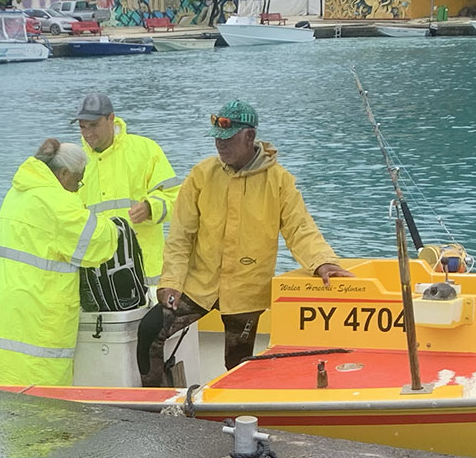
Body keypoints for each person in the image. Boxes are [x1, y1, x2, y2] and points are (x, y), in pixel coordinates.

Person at [140, 99, 349, 383]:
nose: (220, 144)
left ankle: (236, 416)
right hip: (200, 285)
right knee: (150, 331)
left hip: (246, 291)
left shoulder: (279, 181)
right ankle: (156, 401)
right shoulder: (201, 175)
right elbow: (180, 237)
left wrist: (322, 262)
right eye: (216, 137)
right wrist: (171, 283)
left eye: (228, 138)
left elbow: (300, 228)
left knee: (238, 364)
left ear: (249, 136)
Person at [0, 138, 123, 387]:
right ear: (64, 173)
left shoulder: (19, 191)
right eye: (79, 179)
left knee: (8, 382)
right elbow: (95, 245)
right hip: (37, 309)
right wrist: (114, 226)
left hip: (6, 303)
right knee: (42, 391)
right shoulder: (57, 202)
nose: (78, 187)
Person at [73, 91, 177, 282]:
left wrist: (150, 208)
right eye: (82, 127)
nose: (88, 133)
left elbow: (175, 197)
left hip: (145, 272)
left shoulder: (146, 150)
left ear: (111, 118)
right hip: (96, 276)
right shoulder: (75, 163)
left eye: (94, 125)